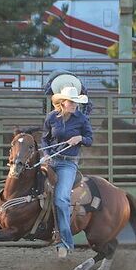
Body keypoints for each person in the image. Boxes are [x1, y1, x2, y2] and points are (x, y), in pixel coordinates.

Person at [40, 86, 93, 258]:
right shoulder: (51, 118)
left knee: (61, 198)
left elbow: (90, 139)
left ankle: (65, 241)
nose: (74, 105)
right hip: (51, 161)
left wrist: (80, 138)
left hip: (68, 164)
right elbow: (45, 139)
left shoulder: (82, 119)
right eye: (71, 102)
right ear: (62, 103)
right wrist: (46, 154)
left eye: (76, 102)